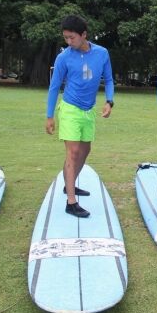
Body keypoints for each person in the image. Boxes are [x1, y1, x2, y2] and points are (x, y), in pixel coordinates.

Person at [46, 15, 114, 218]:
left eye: (72, 37)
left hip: (89, 110)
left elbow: (109, 79)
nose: (68, 42)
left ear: (84, 35)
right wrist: (50, 116)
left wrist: (109, 101)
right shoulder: (64, 57)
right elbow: (54, 87)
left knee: (85, 151)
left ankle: (70, 186)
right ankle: (71, 202)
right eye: (65, 38)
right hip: (70, 109)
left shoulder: (102, 53)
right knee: (73, 152)